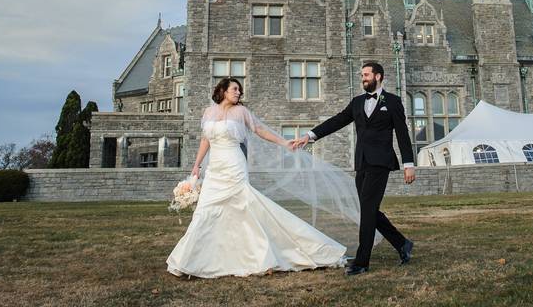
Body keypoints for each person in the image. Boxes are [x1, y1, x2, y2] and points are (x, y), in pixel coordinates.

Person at [167, 78, 347, 278]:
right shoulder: (208, 113)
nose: (238, 93)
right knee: (205, 210)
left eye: (239, 90)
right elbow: (205, 140)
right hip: (214, 169)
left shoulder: (241, 112)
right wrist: (196, 165)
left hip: (234, 164)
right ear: (223, 91)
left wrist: (283, 143)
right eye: (235, 89)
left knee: (243, 208)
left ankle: (257, 256)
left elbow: (260, 130)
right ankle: (192, 260)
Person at [291, 61, 416, 276]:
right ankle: (402, 243)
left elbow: (403, 134)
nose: (363, 78)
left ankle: (362, 261)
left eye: (366, 74)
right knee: (369, 211)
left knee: (367, 209)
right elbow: (337, 121)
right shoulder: (357, 102)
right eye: (362, 75)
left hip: (381, 162)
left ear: (378, 76)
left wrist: (409, 164)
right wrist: (310, 136)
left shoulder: (393, 102)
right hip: (362, 163)